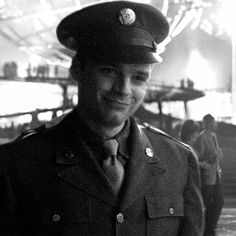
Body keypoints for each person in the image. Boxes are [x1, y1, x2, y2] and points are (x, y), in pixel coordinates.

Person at [0, 1, 204, 235]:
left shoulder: (179, 162)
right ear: (77, 69)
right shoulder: (17, 165)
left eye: (138, 77)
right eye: (109, 71)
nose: (123, 89)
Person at [194, 114, 224, 236]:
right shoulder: (202, 137)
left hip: (216, 174)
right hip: (207, 176)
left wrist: (218, 155)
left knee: (219, 201)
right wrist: (208, 160)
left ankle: (211, 226)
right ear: (208, 123)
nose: (215, 124)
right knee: (208, 204)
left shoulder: (214, 136)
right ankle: (208, 229)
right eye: (213, 122)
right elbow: (198, 156)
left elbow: (216, 154)